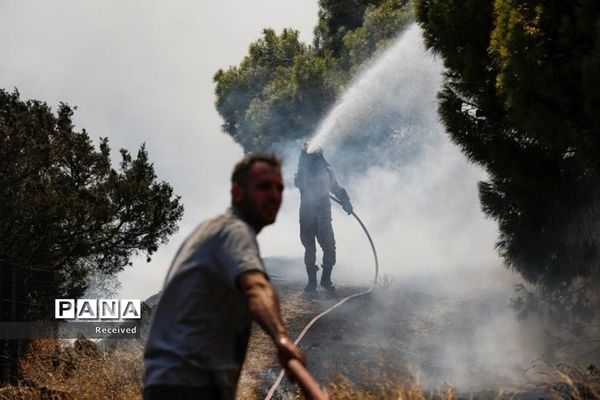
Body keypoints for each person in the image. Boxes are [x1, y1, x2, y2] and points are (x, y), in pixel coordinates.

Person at [143, 154, 305, 400]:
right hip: (190, 384)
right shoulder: (234, 231)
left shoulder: (215, 229)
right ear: (237, 191)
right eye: (263, 187)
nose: (274, 196)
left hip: (174, 381)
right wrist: (281, 338)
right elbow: (257, 287)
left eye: (279, 189)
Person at [295, 142, 353, 292]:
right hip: (307, 213)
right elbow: (299, 183)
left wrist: (346, 201)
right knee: (309, 247)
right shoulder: (302, 171)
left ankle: (326, 280)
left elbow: (336, 188)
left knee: (329, 245)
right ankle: (311, 283)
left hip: (323, 213)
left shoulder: (327, 172)